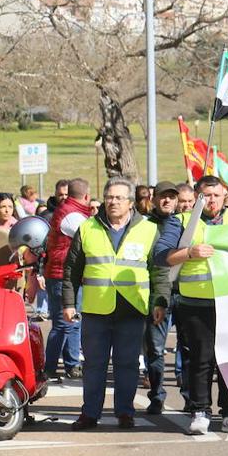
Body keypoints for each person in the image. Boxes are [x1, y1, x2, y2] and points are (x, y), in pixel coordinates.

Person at [154, 176, 228, 435]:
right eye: (207, 195)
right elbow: (160, 256)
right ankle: (199, 410)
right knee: (201, 358)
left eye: (217, 195)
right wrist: (190, 253)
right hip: (195, 302)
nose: (212, 200)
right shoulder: (181, 222)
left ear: (225, 196)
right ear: (198, 197)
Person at [62, 177, 163, 430]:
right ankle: (90, 413)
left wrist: (159, 301)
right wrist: (69, 302)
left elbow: (158, 271)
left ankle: (125, 412)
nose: (113, 202)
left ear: (130, 202)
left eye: (119, 198)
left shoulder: (149, 229)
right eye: (109, 197)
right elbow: (71, 270)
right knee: (94, 365)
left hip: (132, 309)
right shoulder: (87, 228)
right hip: (96, 310)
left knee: (127, 365)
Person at [43, 178, 91, 380]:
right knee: (64, 323)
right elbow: (90, 241)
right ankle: (49, 367)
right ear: (87, 196)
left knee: (71, 322)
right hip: (64, 275)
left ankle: (71, 364)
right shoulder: (73, 216)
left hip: (62, 274)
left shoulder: (68, 211)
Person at [141, 182, 179, 415]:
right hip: (157, 295)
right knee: (154, 350)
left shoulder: (185, 224)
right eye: (162, 197)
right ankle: (156, 395)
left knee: (187, 350)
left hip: (185, 293)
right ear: (153, 199)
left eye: (171, 197)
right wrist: (158, 299)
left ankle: (192, 399)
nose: (167, 201)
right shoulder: (144, 226)